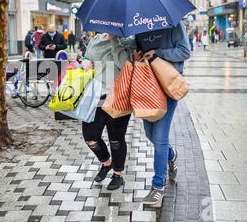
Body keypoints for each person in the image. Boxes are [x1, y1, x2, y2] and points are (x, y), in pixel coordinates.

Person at [136, 21, 191, 208]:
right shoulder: (139, 26)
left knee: (159, 137)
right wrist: (137, 55)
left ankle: (157, 186)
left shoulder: (173, 24)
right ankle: (171, 155)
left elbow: (185, 51)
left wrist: (159, 53)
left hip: (168, 86)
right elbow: (139, 51)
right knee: (150, 135)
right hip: (147, 87)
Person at [81, 33, 134, 190]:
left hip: (119, 95)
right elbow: (85, 57)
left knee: (116, 140)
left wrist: (114, 40)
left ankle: (118, 174)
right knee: (90, 137)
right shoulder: (95, 40)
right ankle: (106, 162)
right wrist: (85, 62)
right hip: (95, 95)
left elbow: (124, 64)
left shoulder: (129, 41)